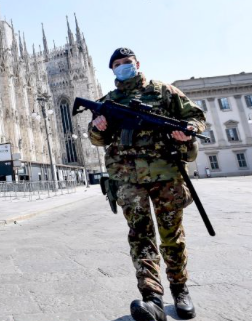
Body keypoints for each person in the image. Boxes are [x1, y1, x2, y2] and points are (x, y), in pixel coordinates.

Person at [88, 48, 206, 321]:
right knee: (140, 239)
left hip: (166, 176)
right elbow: (95, 138)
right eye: (117, 65)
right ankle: (151, 297)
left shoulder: (164, 91)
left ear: (137, 64)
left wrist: (186, 129)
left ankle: (180, 288)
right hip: (128, 181)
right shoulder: (108, 100)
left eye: (126, 63)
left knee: (171, 237)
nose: (122, 67)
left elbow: (197, 118)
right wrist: (99, 127)